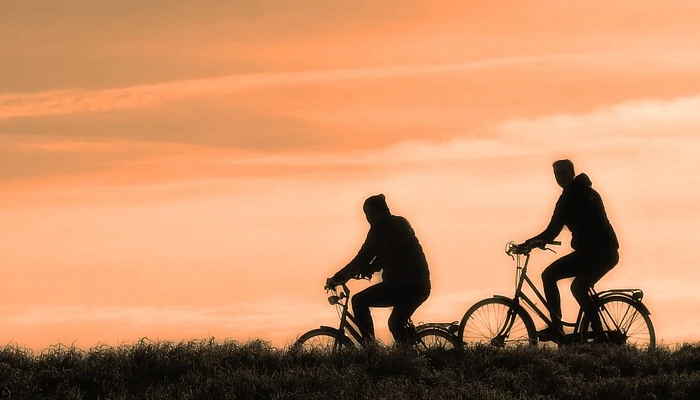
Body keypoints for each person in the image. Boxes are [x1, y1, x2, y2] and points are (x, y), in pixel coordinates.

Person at [521, 159, 619, 343]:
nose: (560, 177)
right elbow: (553, 229)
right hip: (589, 253)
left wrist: (532, 242)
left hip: (603, 253)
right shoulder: (570, 196)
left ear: (572, 173)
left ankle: (597, 333)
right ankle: (560, 328)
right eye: (557, 174)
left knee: (574, 285)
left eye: (563, 173)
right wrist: (532, 242)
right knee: (554, 277)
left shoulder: (582, 195)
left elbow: (555, 230)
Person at [325, 194, 431, 345]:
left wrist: (337, 278)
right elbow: (392, 252)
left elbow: (363, 257)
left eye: (370, 213)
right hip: (417, 285)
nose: (368, 217)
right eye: (366, 214)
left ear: (381, 211)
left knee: (360, 301)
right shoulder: (400, 223)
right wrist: (371, 268)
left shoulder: (380, 229)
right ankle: (407, 354)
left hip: (405, 286)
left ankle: (371, 348)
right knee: (396, 323)